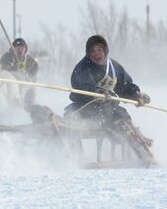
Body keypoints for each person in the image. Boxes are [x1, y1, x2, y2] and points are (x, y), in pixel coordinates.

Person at [64, 35, 156, 165]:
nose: (96, 54)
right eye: (93, 51)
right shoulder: (82, 67)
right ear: (88, 53)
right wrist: (96, 93)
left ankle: (145, 154)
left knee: (122, 118)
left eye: (99, 50)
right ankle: (76, 161)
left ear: (105, 51)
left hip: (108, 109)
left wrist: (136, 95)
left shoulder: (114, 67)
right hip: (85, 108)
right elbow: (83, 85)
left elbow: (125, 85)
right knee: (71, 121)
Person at [0, 38, 39, 108]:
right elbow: (2, 69)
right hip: (10, 84)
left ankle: (29, 106)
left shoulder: (29, 60)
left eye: (22, 47)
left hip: (25, 84)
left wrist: (28, 75)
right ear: (13, 48)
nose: (20, 49)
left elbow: (34, 71)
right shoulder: (7, 57)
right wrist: (14, 67)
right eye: (17, 47)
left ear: (25, 49)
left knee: (31, 89)